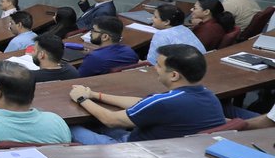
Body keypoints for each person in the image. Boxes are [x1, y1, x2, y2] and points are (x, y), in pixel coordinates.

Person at [68, 44, 225, 144]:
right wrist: (95, 95)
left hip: (131, 150)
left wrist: (81, 98)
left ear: (174, 75)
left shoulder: (165, 102)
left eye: (159, 65)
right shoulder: (208, 96)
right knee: (95, 123)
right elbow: (141, 103)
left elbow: (110, 120)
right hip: (169, 149)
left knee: (70, 127)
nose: (155, 68)